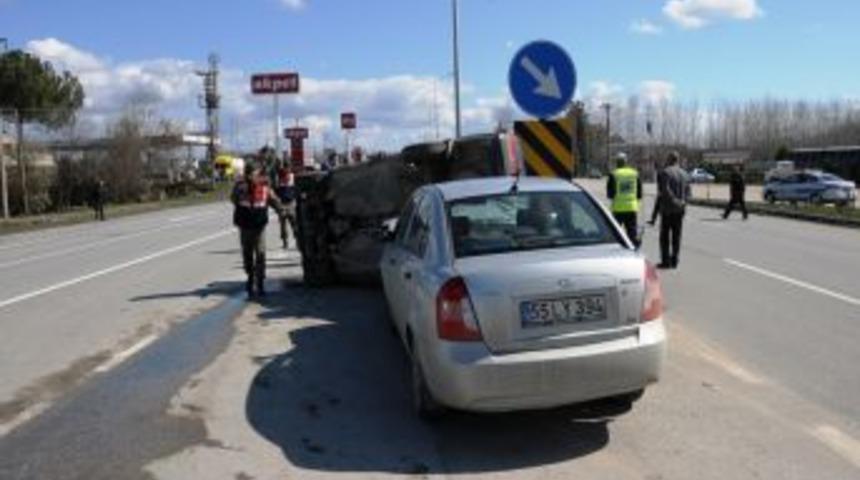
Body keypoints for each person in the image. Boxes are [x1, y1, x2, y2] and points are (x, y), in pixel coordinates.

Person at [231, 161, 286, 299]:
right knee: (247, 254)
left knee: (260, 254)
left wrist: (282, 211)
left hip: (259, 227)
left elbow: (274, 201)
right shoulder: (239, 187)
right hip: (245, 226)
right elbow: (233, 199)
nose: (255, 176)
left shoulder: (265, 188)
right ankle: (250, 277)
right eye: (253, 173)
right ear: (247, 174)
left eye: (257, 173)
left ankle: (260, 282)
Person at [657, 152, 692, 269]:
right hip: (680, 210)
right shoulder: (685, 174)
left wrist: (675, 201)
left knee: (665, 236)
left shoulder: (665, 173)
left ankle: (666, 261)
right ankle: (675, 260)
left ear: (669, 159)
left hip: (668, 209)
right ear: (678, 160)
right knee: (677, 236)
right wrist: (683, 202)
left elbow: (665, 190)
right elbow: (689, 193)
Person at [606, 152, 643, 247]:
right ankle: (633, 250)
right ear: (626, 162)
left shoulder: (613, 174)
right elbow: (639, 194)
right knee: (632, 234)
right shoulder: (635, 174)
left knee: (616, 233)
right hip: (632, 208)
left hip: (618, 209)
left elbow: (610, 194)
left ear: (617, 162)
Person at [275, 162, 297, 249]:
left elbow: (296, 190)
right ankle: (285, 242)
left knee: (294, 224)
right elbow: (276, 190)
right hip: (283, 203)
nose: (287, 169)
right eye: (286, 167)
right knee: (283, 225)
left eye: (288, 167)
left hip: (290, 203)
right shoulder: (280, 176)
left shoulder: (292, 177)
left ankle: (297, 240)